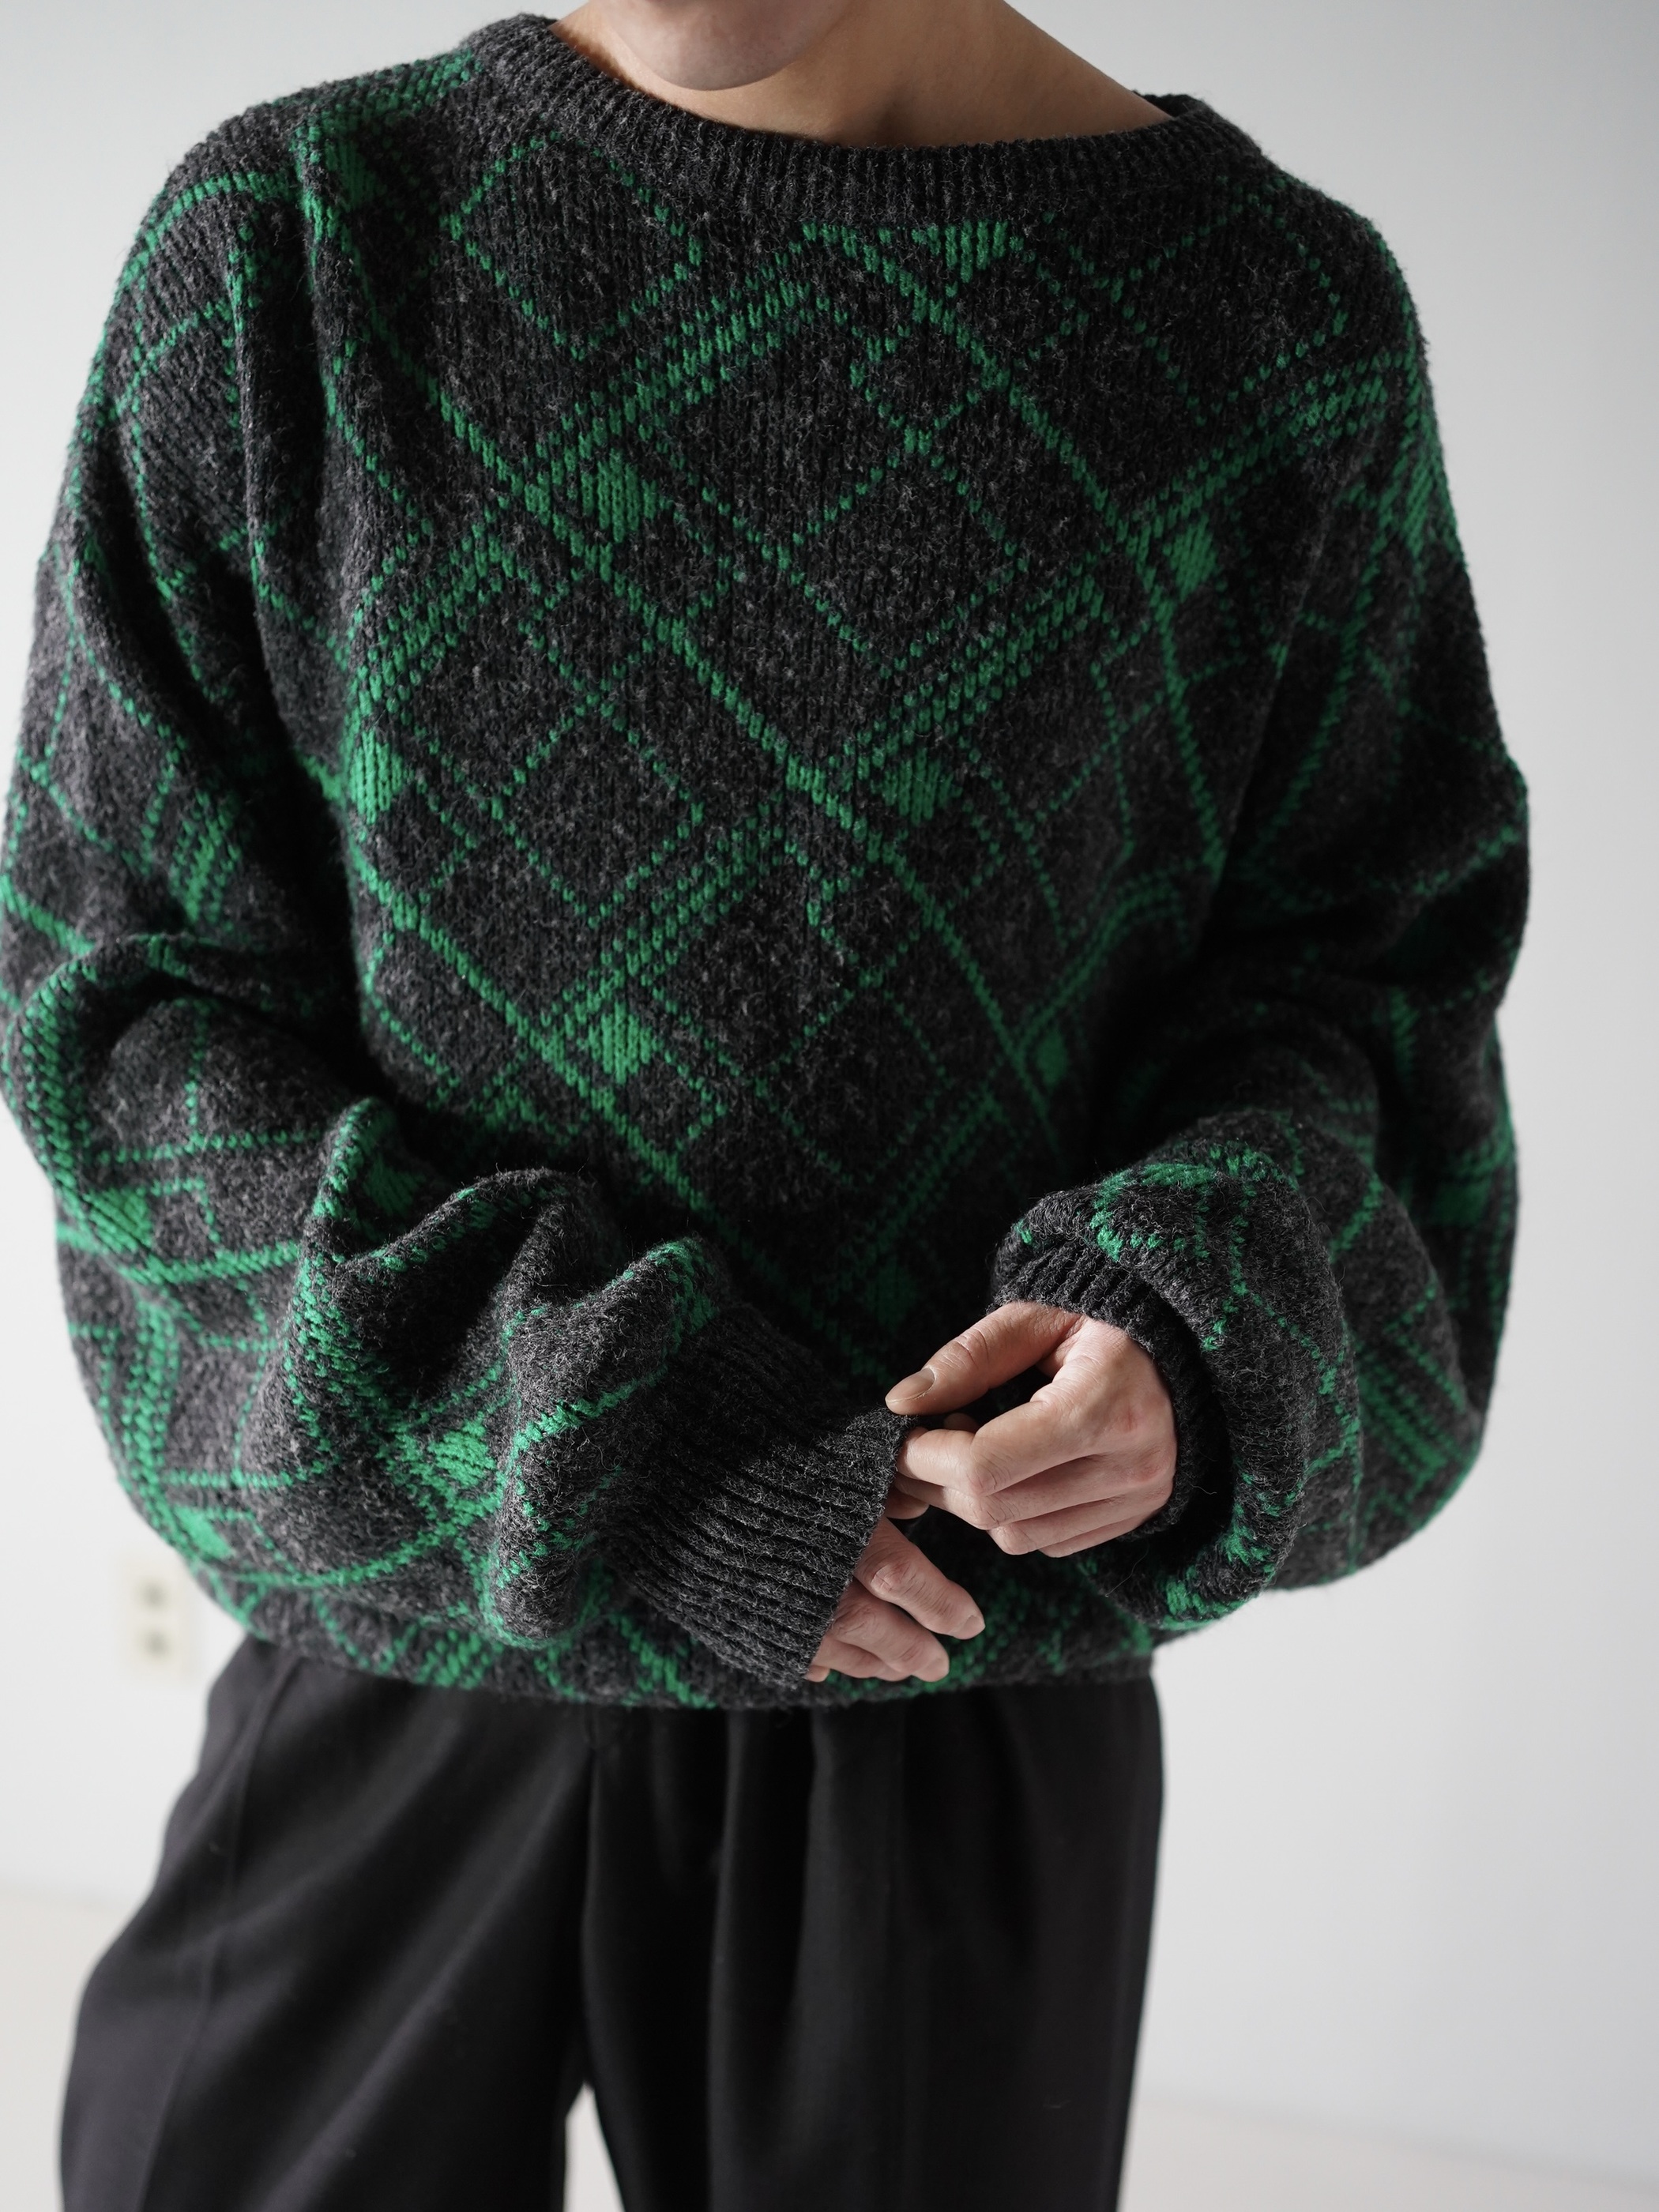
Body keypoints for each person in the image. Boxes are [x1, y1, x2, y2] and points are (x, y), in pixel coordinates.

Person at [0, 1, 1526, 2205]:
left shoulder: (1268, 323)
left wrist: (1189, 1323)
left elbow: (1365, 987)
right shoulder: (301, 245)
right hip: (424, 1609)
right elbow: (126, 1006)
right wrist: (616, 1447)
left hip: (956, 1672)